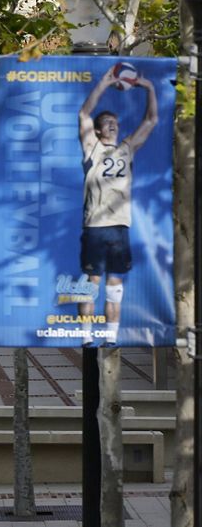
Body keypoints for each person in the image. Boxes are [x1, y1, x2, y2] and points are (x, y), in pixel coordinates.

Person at [76, 63, 159, 345]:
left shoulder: (126, 148)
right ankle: (86, 340)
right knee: (91, 285)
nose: (113, 124)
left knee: (115, 288)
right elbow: (84, 113)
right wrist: (104, 83)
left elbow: (151, 121)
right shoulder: (92, 148)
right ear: (99, 131)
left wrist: (148, 87)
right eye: (107, 122)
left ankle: (110, 340)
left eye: (115, 121)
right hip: (96, 226)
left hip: (120, 227)